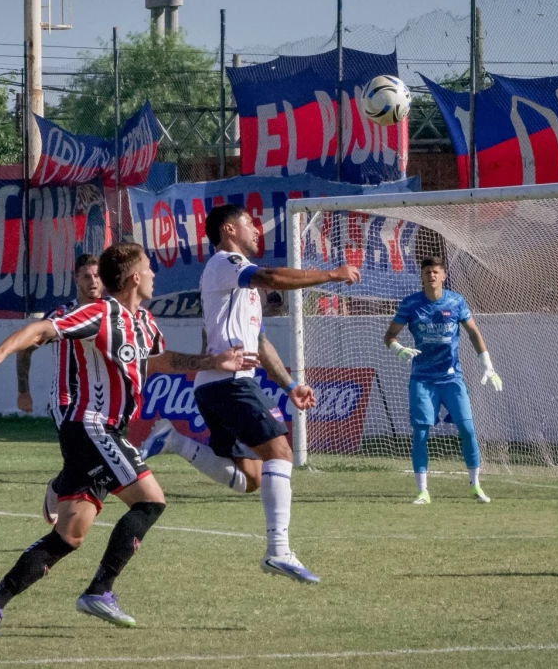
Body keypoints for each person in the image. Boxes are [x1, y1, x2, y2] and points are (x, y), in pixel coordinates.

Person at [0, 242, 258, 634]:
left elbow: (160, 360)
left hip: (105, 430)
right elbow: (41, 329)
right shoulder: (100, 313)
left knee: (69, 536)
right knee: (151, 501)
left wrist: (212, 361)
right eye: (148, 268)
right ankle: (100, 590)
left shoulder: (144, 322)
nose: (153, 275)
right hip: (91, 425)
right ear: (135, 277)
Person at [140, 203, 361, 585]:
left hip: (217, 385)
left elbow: (259, 344)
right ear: (229, 230)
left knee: (250, 477)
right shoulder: (226, 262)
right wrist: (331, 274)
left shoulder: (243, 286)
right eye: (249, 223)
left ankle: (174, 440)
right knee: (281, 453)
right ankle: (278, 552)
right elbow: (273, 276)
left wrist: (290, 386)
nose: (257, 230)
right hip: (229, 383)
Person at [383, 256, 501, 505]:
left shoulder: (456, 301)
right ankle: (422, 492)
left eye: (436, 272)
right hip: (422, 379)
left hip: (452, 378)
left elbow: (473, 332)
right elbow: (390, 336)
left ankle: (475, 486)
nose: (432, 275)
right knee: (420, 433)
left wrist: (488, 366)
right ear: (422, 276)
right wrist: (398, 349)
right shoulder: (411, 304)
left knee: (467, 429)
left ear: (444, 276)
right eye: (427, 272)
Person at [15, 254, 103, 415]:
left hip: (103, 400)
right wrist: (23, 391)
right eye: (87, 276)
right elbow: (24, 350)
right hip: (67, 400)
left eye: (97, 276)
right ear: (76, 279)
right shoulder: (60, 315)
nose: (93, 281)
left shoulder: (112, 312)